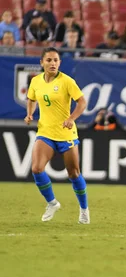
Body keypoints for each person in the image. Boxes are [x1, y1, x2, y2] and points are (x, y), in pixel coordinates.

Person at [24, 47, 89, 224]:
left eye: (55, 60)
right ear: (42, 62)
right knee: (37, 169)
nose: (52, 63)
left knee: (74, 174)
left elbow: (82, 102)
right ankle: (52, 203)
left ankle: (84, 209)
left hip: (66, 133)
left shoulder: (67, 81)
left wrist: (71, 118)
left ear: (59, 63)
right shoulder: (36, 81)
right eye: (49, 60)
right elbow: (31, 99)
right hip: (45, 132)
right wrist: (30, 114)